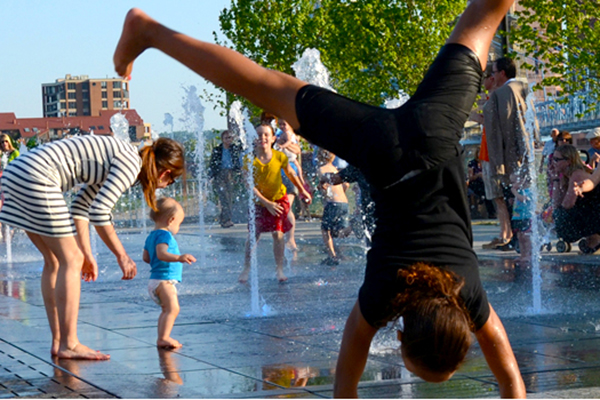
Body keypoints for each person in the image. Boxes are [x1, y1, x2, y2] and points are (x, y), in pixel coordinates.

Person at [113, 2, 526, 396]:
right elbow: (345, 384)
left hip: (437, 130)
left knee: (484, 15)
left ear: (464, 331)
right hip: (380, 150)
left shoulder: (469, 294)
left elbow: (511, 381)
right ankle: (150, 31)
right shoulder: (383, 294)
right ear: (399, 335)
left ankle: (148, 31)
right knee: (260, 85)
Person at [0, 135, 184, 360]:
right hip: (37, 175)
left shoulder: (121, 156)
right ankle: (70, 343)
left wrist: (87, 254)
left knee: (55, 261)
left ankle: (59, 342)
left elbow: (81, 206)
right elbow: (100, 212)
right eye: (171, 181)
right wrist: (122, 255)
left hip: (16, 172)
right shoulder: (130, 163)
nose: (165, 186)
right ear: (165, 173)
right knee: (69, 260)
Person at [238, 124, 312, 283]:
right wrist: (266, 203)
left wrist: (302, 190)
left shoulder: (280, 157)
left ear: (273, 138)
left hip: (278, 199)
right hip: (259, 202)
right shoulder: (248, 159)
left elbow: (291, 174)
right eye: (259, 135)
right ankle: (246, 268)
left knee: (278, 234)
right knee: (253, 235)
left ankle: (279, 268)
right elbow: (249, 185)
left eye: (266, 135)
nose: (262, 138)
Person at [482, 57, 536, 251]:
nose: (493, 76)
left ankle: (522, 241)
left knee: (515, 193)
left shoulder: (504, 92)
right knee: (525, 193)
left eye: (494, 72)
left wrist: (500, 161)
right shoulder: (523, 88)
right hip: (525, 148)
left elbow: (500, 125)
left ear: (503, 73)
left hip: (512, 153)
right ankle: (526, 239)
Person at [143, 197, 196, 349]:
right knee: (173, 309)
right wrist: (179, 258)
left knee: (167, 310)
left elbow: (146, 257)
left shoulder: (151, 236)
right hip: (163, 281)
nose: (178, 227)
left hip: (156, 281)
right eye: (179, 223)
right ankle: (164, 338)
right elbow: (161, 254)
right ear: (171, 220)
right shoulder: (164, 235)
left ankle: (162, 337)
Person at [551, 144, 600, 253]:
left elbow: (567, 204)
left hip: (596, 213)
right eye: (552, 159)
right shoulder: (565, 176)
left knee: (561, 216)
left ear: (568, 161)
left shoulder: (576, 174)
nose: (553, 162)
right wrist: (555, 179)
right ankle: (592, 237)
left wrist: (580, 189)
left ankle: (595, 237)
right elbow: (556, 203)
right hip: (592, 213)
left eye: (557, 159)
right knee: (558, 213)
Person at [274, 118, 305, 252]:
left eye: (284, 124)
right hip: (279, 170)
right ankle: (285, 238)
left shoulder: (291, 136)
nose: (282, 126)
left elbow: (297, 151)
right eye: (280, 124)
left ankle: (291, 239)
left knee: (286, 207)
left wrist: (283, 145)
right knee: (282, 207)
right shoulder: (279, 134)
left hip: (290, 169)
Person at [317, 148, 351, 266]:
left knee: (325, 230)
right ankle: (341, 253)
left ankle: (333, 256)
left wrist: (325, 193)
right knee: (338, 231)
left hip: (332, 203)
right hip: (344, 203)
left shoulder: (321, 169)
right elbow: (346, 184)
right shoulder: (335, 169)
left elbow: (324, 185)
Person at [208, 130, 243, 228]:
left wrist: (239, 174)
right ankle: (226, 220)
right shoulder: (217, 150)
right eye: (226, 138)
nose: (229, 140)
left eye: (230, 138)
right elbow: (212, 163)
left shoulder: (234, 149)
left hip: (231, 174)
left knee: (230, 197)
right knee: (224, 197)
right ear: (222, 139)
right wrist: (210, 176)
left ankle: (224, 219)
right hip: (220, 174)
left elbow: (239, 159)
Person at [510, 171, 533, 265]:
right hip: (517, 218)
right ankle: (523, 255)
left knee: (526, 237)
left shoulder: (529, 191)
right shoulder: (519, 192)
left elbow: (523, 199)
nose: (512, 185)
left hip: (526, 217)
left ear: (522, 180)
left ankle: (529, 255)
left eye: (514, 182)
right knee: (519, 237)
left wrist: (514, 192)